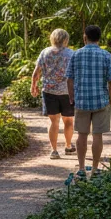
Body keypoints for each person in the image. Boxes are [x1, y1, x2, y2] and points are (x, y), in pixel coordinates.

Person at [66, 24, 111, 176]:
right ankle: (95, 169)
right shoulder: (106, 55)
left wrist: (72, 96)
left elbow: (69, 78)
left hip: (81, 100)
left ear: (85, 37)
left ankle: (82, 168)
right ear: (99, 38)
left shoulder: (76, 55)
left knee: (82, 135)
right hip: (101, 101)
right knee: (98, 135)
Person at [31, 28, 75, 159]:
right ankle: (68, 146)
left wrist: (33, 86)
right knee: (68, 121)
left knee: (53, 121)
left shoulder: (45, 52)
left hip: (49, 91)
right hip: (67, 92)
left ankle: (54, 151)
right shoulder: (70, 54)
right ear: (66, 39)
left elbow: (36, 72)